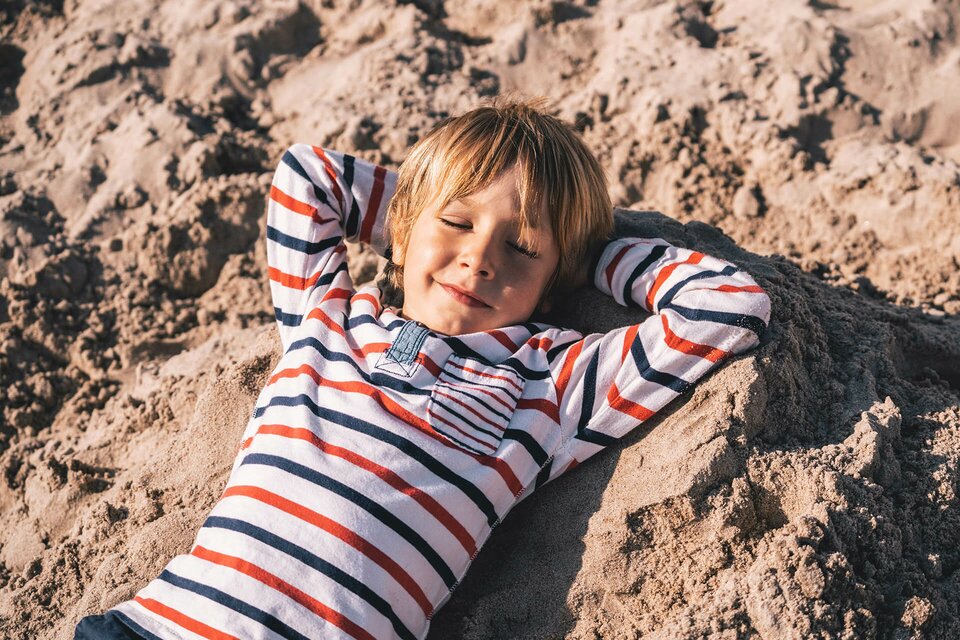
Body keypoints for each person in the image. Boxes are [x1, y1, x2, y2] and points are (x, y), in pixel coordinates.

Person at [75, 98, 771, 640]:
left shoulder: (549, 386)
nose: (480, 258)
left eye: (523, 246)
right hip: (157, 626)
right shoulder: (327, 318)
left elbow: (728, 308)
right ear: (404, 227)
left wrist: (598, 257)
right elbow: (306, 176)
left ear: (554, 285)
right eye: (459, 223)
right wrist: (411, 220)